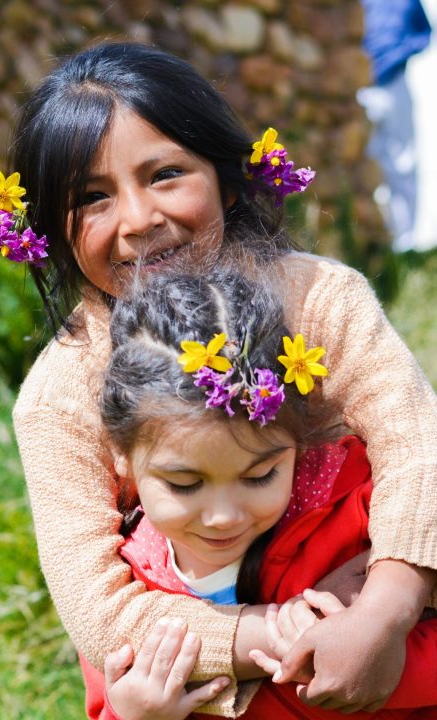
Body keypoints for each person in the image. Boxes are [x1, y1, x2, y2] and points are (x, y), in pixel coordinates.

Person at [7, 42, 437, 716]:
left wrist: (384, 611)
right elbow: (99, 607)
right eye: (92, 197)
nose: (139, 218)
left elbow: (418, 450)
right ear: (51, 233)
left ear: (228, 180)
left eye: (166, 174)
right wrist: (278, 630)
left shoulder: (321, 300)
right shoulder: (60, 397)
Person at [81, 268, 437, 719]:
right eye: (184, 484)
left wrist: (382, 648)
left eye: (260, 476)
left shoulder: (359, 506)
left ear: (297, 442)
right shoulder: (130, 588)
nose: (224, 516)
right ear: (123, 459)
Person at [358, 0, 432, 252]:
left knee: (403, 161)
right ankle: (378, 239)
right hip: (360, 85)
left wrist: (397, 53)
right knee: (367, 161)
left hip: (393, 80)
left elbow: (423, 31)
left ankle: (405, 244)